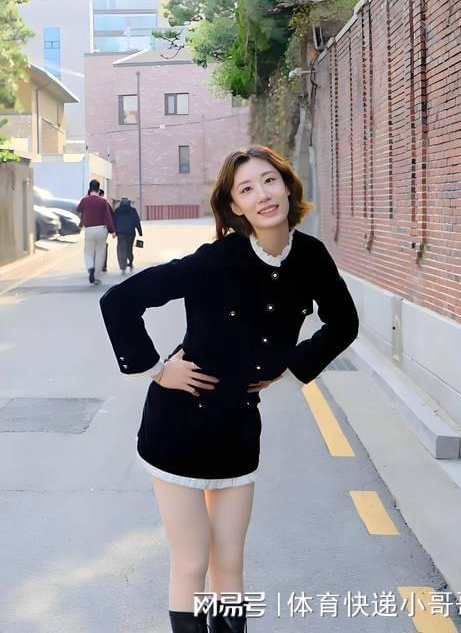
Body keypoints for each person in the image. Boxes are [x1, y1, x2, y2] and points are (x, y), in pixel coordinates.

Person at [99, 146, 359, 633]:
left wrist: (289, 369)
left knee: (231, 561)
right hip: (177, 427)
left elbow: (344, 322)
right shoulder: (216, 260)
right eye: (247, 189)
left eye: (269, 181)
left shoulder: (311, 257)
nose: (263, 195)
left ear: (288, 187)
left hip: (239, 427)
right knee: (192, 560)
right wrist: (156, 370)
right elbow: (120, 300)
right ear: (235, 205)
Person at [77, 179, 115, 285]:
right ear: (98, 190)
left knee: (88, 251)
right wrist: (112, 231)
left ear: (90, 189)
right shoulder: (103, 201)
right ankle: (96, 276)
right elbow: (108, 217)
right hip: (102, 229)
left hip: (89, 229)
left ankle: (90, 268)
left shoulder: (85, 200)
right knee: (100, 252)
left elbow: (78, 209)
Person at [112, 196, 143, 274]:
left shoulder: (117, 211)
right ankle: (130, 261)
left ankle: (123, 265)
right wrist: (140, 232)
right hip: (130, 233)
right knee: (129, 248)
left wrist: (113, 231)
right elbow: (137, 221)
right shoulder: (133, 210)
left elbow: (113, 221)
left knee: (121, 249)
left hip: (120, 233)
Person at [99, 189, 114, 272]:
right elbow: (111, 216)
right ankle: (103, 265)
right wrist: (112, 230)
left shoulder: (89, 202)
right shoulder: (105, 204)